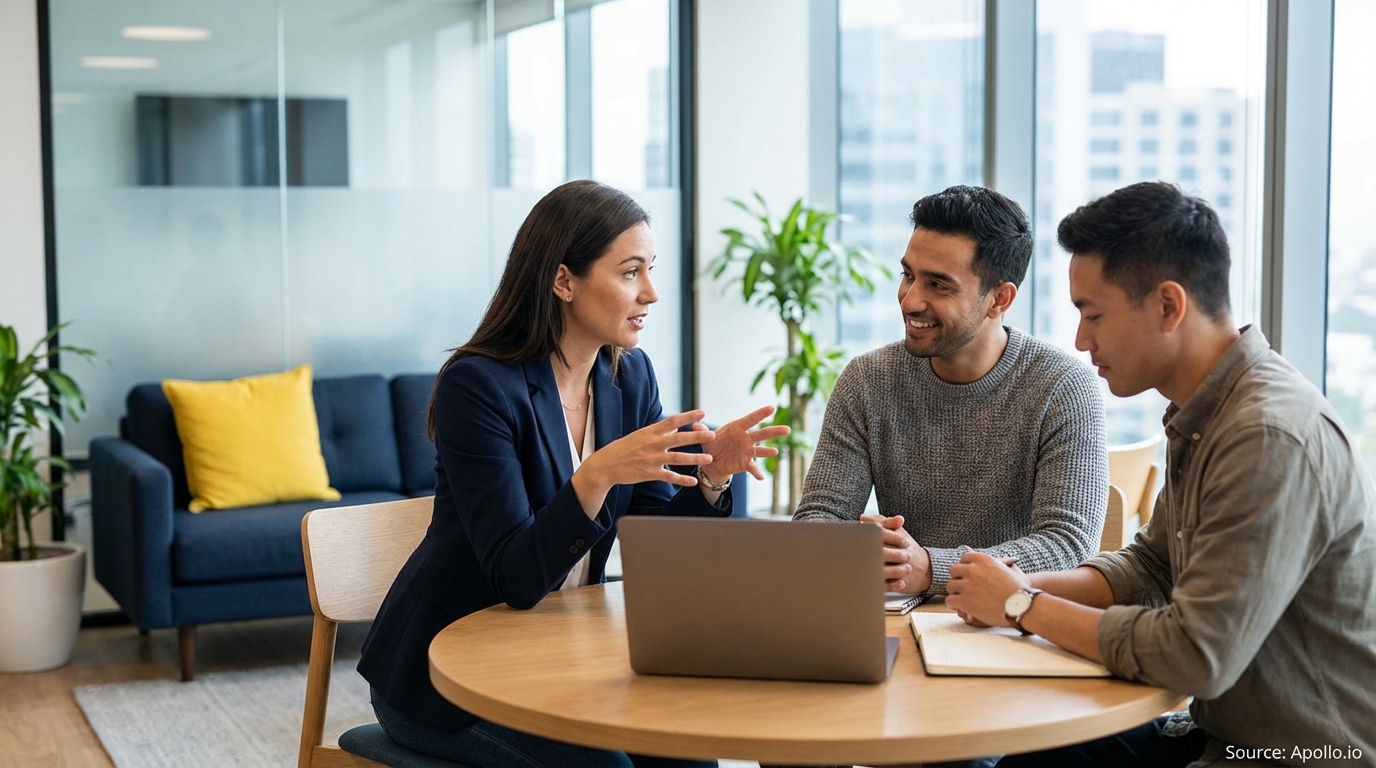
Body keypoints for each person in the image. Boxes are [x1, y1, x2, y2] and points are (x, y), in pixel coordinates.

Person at [358, 180, 789, 768]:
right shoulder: (478, 387)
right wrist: (595, 477)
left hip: (560, 658)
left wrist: (713, 477)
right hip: (447, 680)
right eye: (631, 271)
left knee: (687, 749)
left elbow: (654, 550)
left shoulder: (629, 378)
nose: (652, 293)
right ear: (564, 281)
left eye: (651, 269)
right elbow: (516, 579)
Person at [947, 182, 1376, 767]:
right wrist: (1018, 588)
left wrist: (1023, 608)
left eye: (1091, 314)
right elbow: (1152, 565)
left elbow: (1194, 654)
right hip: (1217, 731)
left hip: (1298, 752)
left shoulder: (1266, 436)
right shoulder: (1208, 411)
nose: (1080, 340)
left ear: (1168, 306)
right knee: (1030, 751)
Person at [794, 185, 1107, 599]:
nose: (910, 300)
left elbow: (1067, 546)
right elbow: (819, 517)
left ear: (999, 299)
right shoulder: (868, 380)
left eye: (938, 285)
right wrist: (867, 552)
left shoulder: (1063, 387)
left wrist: (932, 568)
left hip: (1012, 622)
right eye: (908, 275)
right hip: (896, 618)